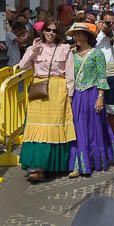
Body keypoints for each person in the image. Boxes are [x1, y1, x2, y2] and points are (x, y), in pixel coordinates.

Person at [17, 19, 75, 182]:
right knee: (36, 128)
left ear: (59, 33)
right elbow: (22, 66)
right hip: (38, 87)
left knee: (54, 128)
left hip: (58, 89)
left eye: (54, 31)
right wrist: (33, 50)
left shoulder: (64, 49)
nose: (50, 33)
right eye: (48, 30)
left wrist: (69, 95)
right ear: (42, 31)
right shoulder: (34, 48)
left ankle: (51, 165)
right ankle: (35, 166)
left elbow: (70, 74)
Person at [67, 22, 114, 178]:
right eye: (75, 35)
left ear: (86, 36)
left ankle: (94, 160)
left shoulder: (97, 54)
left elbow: (101, 77)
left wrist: (100, 97)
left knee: (95, 127)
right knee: (78, 128)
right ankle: (79, 164)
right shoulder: (71, 54)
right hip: (78, 95)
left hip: (92, 94)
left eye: (79, 34)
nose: (76, 37)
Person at [96, 10, 114, 134]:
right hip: (97, 75)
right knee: (97, 108)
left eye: (112, 23)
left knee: (112, 111)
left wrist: (112, 38)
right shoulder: (96, 35)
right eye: (107, 22)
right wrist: (99, 32)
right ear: (102, 22)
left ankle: (112, 138)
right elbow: (91, 46)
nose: (110, 25)